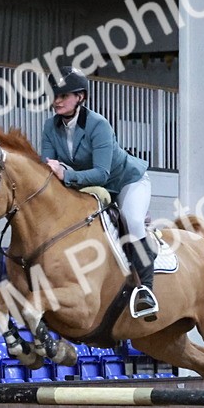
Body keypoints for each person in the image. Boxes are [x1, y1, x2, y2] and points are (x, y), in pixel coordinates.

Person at [40, 67, 157, 320]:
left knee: (133, 221)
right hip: (91, 187)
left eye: (63, 95)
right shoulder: (50, 126)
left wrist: (67, 175)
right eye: (54, 95)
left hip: (126, 182)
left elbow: (102, 173)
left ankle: (146, 290)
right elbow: (47, 166)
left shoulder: (98, 124)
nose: (56, 100)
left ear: (80, 97)